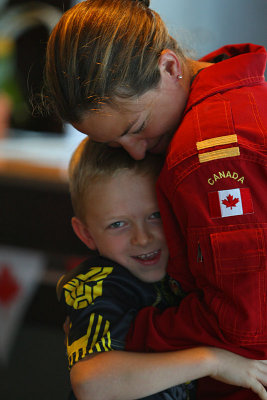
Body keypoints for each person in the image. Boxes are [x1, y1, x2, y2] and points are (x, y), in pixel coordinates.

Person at [43, 0, 267, 399]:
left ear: (169, 67)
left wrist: (137, 330)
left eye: (138, 128)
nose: (135, 153)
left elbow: (246, 324)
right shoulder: (240, 94)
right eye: (112, 143)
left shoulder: (204, 154)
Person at [57, 137, 267, 400]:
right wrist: (213, 361)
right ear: (86, 234)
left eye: (155, 215)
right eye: (117, 224)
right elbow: (92, 385)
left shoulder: (188, 270)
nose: (142, 238)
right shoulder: (100, 284)